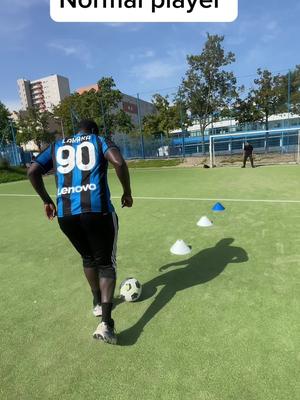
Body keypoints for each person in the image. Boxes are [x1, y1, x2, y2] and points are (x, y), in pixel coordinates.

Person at [27, 119, 133, 345]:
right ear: (94, 131)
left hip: (66, 214)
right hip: (98, 212)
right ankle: (106, 324)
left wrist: (47, 200)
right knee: (106, 264)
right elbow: (119, 163)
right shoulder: (99, 140)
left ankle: (97, 303)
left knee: (87, 258)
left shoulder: (57, 145)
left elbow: (33, 171)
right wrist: (127, 192)